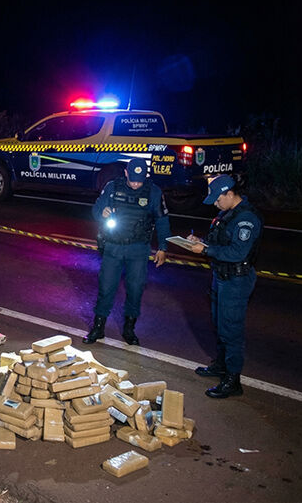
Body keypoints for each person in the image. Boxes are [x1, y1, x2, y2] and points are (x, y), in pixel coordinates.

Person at [188, 175, 262, 398]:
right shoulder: (227, 214)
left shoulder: (246, 219)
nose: (216, 205)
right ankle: (221, 365)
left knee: (231, 329)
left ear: (230, 194)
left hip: (236, 281)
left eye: (218, 200)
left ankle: (233, 380)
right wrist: (201, 242)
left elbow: (238, 252)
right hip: (221, 277)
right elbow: (221, 241)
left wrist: (206, 251)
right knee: (220, 324)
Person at [84, 158, 171, 346]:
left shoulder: (154, 192)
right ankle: (98, 327)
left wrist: (163, 248)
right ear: (126, 173)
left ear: (145, 176)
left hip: (138, 249)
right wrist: (103, 213)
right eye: (132, 179)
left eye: (139, 180)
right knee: (106, 287)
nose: (135, 183)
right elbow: (96, 210)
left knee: (135, 289)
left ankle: (129, 329)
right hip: (113, 246)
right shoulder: (112, 187)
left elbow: (162, 220)